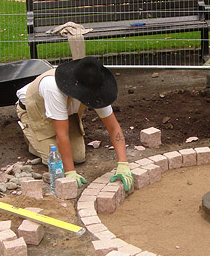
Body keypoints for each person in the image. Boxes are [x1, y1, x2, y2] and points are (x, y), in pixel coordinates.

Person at [16, 56, 133, 192]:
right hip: (36, 113)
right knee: (56, 159)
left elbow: (113, 127)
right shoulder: (53, 88)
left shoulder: (94, 86)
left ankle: (42, 141)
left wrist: (123, 164)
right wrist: (70, 172)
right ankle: (32, 137)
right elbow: (62, 134)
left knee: (78, 157)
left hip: (64, 114)